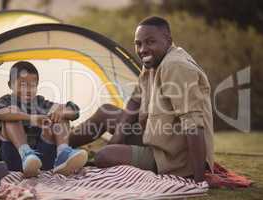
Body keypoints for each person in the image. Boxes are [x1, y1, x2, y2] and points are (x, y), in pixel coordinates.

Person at [68, 16, 214, 183]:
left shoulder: (175, 66)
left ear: (168, 40)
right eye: (138, 44)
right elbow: (136, 100)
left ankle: (75, 155)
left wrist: (198, 180)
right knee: (105, 113)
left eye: (150, 42)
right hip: (157, 136)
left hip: (173, 158)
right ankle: (55, 149)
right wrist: (118, 138)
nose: (143, 49)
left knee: (104, 156)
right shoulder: (152, 62)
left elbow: (193, 125)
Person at [0, 61, 88, 177]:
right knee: (11, 114)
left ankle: (63, 154)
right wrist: (32, 119)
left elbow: (74, 111)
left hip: (41, 162)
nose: (28, 89)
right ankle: (26, 153)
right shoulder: (6, 101)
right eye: (22, 84)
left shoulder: (41, 103)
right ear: (10, 85)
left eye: (33, 85)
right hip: (14, 159)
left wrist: (61, 112)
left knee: (60, 114)